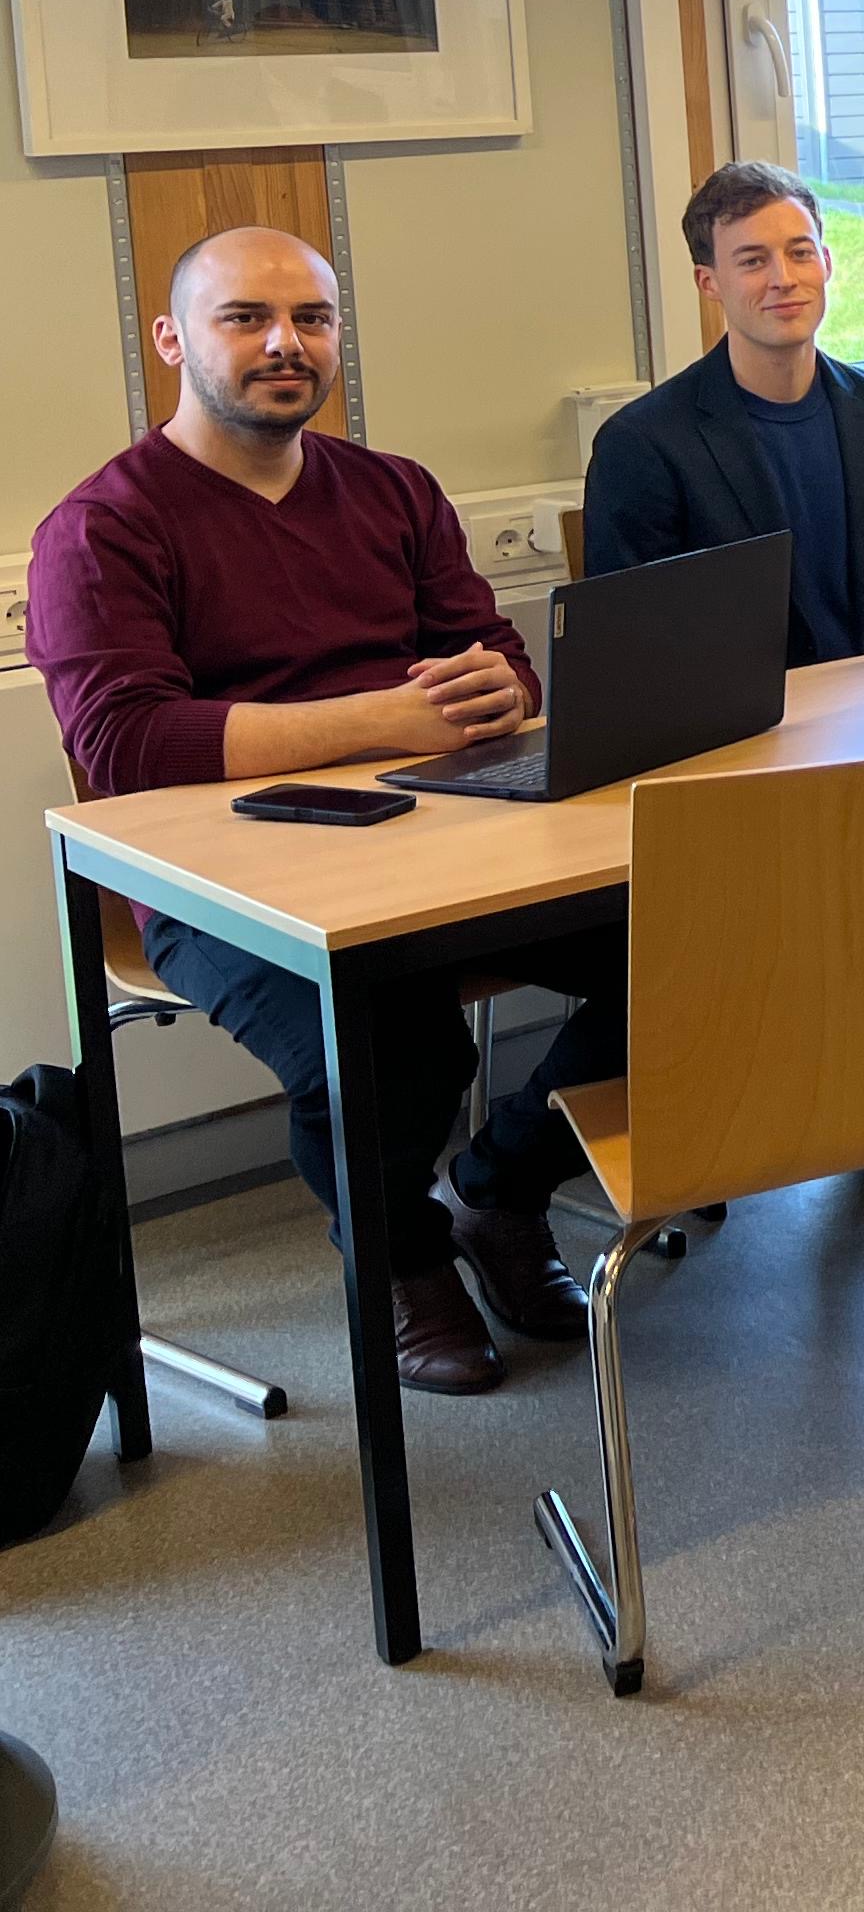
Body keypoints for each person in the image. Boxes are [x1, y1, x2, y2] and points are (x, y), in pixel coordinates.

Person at [29, 229, 623, 1396]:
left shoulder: (394, 489)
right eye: (245, 318)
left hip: (442, 839)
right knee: (391, 1042)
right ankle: (403, 1260)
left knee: (691, 944)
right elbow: (128, 745)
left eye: (312, 317)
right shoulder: (102, 527)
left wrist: (502, 689)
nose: (285, 344)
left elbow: (498, 661)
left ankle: (499, 1190)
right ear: (172, 341)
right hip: (216, 881)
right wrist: (383, 719)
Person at [582, 163, 864, 665]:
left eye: (800, 253)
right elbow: (631, 640)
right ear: (709, 283)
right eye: (753, 261)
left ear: (826, 262)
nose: (783, 279)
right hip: (744, 707)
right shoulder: (643, 444)